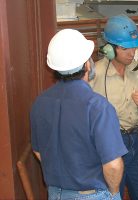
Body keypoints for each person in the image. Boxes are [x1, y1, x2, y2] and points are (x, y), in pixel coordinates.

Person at [30, 29, 128, 200]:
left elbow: (38, 152)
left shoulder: (40, 103)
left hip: (55, 194)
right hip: (92, 195)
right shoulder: (98, 107)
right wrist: (112, 194)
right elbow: (113, 165)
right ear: (87, 65)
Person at [90, 14, 138, 200]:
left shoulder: (137, 70)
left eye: (134, 48)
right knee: (113, 194)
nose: (131, 53)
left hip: (135, 140)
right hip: (110, 142)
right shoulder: (95, 73)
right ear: (109, 49)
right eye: (125, 48)